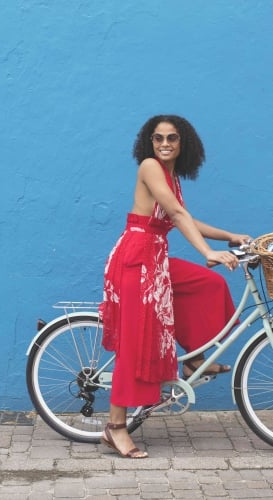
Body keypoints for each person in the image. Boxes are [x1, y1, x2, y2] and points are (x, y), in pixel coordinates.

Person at [99, 115, 250, 459]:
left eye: (172, 138)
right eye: (158, 138)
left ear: (184, 143)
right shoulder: (150, 167)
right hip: (135, 260)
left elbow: (184, 216)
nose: (164, 144)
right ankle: (116, 427)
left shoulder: (172, 176)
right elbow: (176, 213)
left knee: (208, 284)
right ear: (149, 143)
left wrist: (228, 236)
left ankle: (194, 360)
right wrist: (208, 252)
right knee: (134, 342)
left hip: (155, 258)